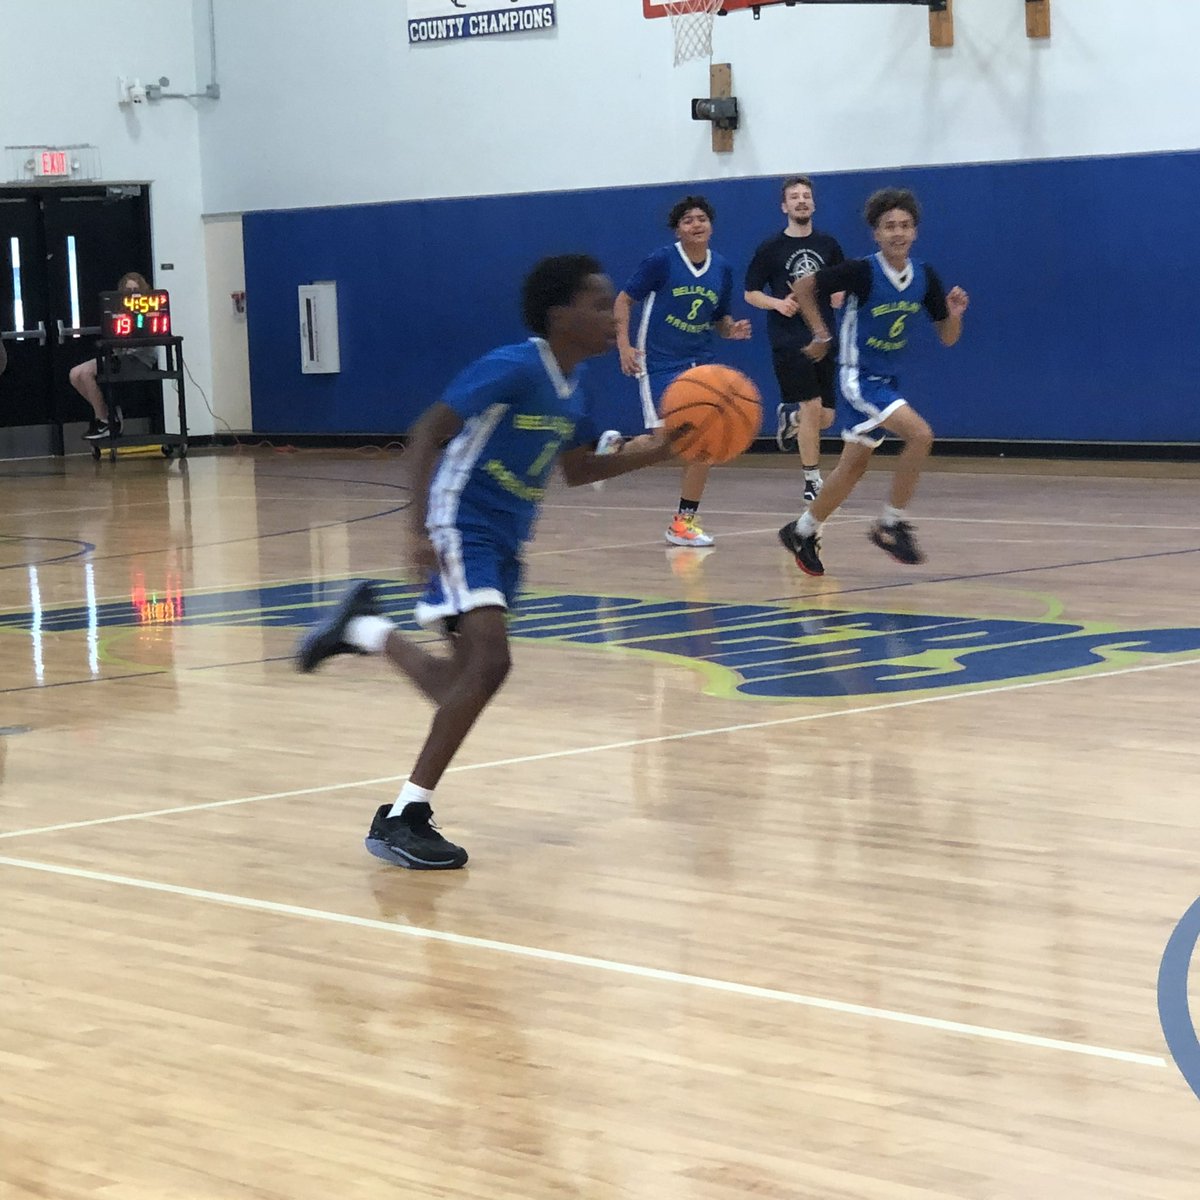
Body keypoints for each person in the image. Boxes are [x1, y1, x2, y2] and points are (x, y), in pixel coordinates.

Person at [295, 255, 685, 870]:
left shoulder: (575, 388)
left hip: (506, 540)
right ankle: (405, 815)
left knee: (468, 679)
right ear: (560, 317)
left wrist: (658, 455)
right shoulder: (514, 366)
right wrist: (417, 528)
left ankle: (363, 629)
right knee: (492, 659)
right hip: (460, 522)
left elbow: (579, 469)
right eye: (596, 303)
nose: (610, 315)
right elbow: (427, 431)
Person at [778, 188, 969, 575]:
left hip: (886, 380)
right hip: (856, 376)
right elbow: (802, 288)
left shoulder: (924, 277)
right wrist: (821, 334)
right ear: (876, 234)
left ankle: (802, 529)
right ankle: (891, 523)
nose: (897, 233)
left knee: (853, 467)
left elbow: (947, 338)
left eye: (904, 226)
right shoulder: (860, 271)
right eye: (889, 227)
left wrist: (954, 314)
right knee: (920, 435)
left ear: (915, 231)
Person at [614, 195, 751, 547]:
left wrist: (730, 330)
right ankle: (615, 448)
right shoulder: (661, 261)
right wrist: (624, 346)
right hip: (657, 360)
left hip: (698, 363)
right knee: (663, 443)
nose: (696, 224)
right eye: (688, 220)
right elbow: (623, 300)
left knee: (703, 441)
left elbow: (719, 319)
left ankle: (683, 522)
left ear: (711, 225)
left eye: (702, 218)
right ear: (678, 229)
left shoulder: (721, 268)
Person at [743, 175, 845, 501]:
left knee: (826, 416)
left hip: (824, 337)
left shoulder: (829, 245)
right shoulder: (771, 248)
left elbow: (839, 285)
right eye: (794, 196)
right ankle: (812, 481)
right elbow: (751, 293)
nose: (801, 201)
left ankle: (793, 418)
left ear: (813, 203)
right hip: (789, 340)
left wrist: (837, 294)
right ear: (784, 205)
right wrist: (777, 303)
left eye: (806, 196)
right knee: (813, 406)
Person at [70, 270, 155, 440]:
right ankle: (108, 415)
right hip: (118, 356)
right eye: (127, 291)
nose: (131, 295)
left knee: (86, 373)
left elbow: (142, 334)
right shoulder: (117, 312)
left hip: (137, 359)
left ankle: (104, 421)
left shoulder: (148, 312)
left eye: (135, 290)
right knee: (74, 374)